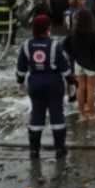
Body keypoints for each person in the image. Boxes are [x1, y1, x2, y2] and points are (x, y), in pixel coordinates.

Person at [16, 15, 71, 159]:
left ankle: (34, 150)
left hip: (35, 84)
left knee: (36, 115)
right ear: (47, 28)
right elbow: (65, 68)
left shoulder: (26, 45)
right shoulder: (55, 45)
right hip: (54, 84)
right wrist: (72, 82)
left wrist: (20, 83)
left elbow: (21, 68)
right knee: (57, 115)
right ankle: (60, 149)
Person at [64, 8, 95, 121]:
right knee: (91, 89)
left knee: (80, 88)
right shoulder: (93, 31)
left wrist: (74, 55)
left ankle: (81, 113)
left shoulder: (73, 31)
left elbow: (64, 44)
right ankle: (92, 114)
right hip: (91, 63)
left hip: (78, 63)